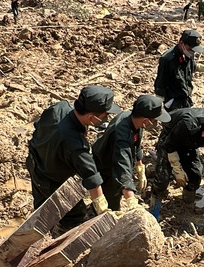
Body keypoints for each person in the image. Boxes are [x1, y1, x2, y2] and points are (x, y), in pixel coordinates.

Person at [26, 85, 121, 232]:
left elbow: (38, 124)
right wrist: (101, 206)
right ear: (91, 117)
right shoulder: (75, 145)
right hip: (51, 179)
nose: (106, 119)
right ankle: (56, 240)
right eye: (104, 116)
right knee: (73, 216)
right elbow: (91, 177)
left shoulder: (60, 107)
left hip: (34, 160)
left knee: (41, 211)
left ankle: (38, 231)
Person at [150, 108, 204, 219]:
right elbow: (169, 145)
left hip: (189, 145)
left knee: (195, 175)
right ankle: (154, 210)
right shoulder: (189, 123)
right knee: (162, 179)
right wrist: (178, 170)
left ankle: (187, 207)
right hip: (170, 143)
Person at [92, 95, 170, 212]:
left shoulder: (135, 121)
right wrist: (131, 200)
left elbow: (136, 144)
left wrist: (139, 166)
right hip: (105, 163)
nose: (156, 123)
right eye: (155, 120)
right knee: (111, 202)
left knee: (119, 188)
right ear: (146, 120)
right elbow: (121, 166)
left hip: (116, 159)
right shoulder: (122, 135)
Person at [154, 30, 204, 111]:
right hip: (172, 102)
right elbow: (160, 84)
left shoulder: (188, 54)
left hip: (185, 99)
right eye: (191, 49)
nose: (192, 52)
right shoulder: (167, 60)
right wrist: (159, 105)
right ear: (182, 43)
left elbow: (193, 67)